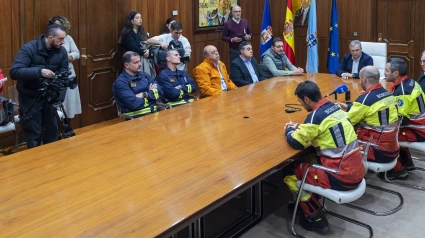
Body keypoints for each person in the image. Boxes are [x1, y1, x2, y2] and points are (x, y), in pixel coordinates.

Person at [284, 80, 364, 233]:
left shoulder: (314, 117)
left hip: (341, 177)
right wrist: (300, 127)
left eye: (300, 102)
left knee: (289, 171)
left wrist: (288, 130)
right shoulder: (335, 108)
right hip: (358, 168)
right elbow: (322, 128)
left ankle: (315, 217)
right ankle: (307, 201)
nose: (301, 105)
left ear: (306, 99)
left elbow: (296, 142)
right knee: (309, 158)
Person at [10, 24, 68, 149]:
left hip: (50, 98)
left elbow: (64, 77)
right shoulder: (29, 48)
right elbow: (14, 72)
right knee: (33, 136)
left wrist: (59, 98)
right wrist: (39, 71)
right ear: (51, 37)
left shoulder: (62, 52)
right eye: (61, 39)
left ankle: (52, 165)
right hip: (30, 98)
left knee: (52, 134)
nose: (63, 42)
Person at [337, 66, 400, 164]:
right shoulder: (389, 94)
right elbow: (372, 110)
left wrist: (335, 112)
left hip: (375, 150)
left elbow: (346, 122)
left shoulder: (365, 101)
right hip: (393, 148)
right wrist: (349, 107)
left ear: (364, 79)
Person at [382, 58, 425, 179]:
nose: (384, 72)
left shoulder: (403, 91)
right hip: (421, 124)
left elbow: (401, 120)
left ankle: (398, 170)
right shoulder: (409, 82)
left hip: (419, 130)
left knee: (386, 136)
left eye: (386, 70)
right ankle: (407, 162)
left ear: (395, 74)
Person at [49, 15, 81, 119]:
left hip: (68, 70)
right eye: (56, 25)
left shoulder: (68, 38)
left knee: (69, 99)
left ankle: (67, 123)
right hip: (54, 72)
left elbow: (77, 53)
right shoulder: (49, 39)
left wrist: (67, 56)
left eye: (60, 25)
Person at [112, 51, 163, 118]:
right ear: (127, 65)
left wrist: (144, 95)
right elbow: (134, 104)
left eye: (139, 61)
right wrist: (152, 95)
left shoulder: (144, 75)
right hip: (136, 118)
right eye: (136, 62)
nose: (140, 64)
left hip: (154, 114)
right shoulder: (121, 82)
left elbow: (161, 92)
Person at [119, 12, 154, 76]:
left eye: (141, 18)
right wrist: (145, 52)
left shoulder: (142, 32)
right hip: (133, 60)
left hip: (145, 59)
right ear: (132, 21)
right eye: (137, 18)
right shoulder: (127, 34)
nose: (140, 19)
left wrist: (149, 51)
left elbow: (148, 43)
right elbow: (133, 47)